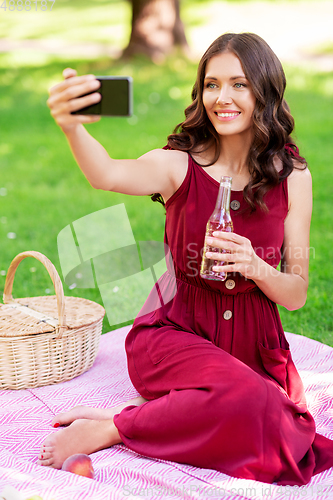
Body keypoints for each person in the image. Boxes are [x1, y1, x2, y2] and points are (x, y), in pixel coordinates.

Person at [38, 32, 333, 485]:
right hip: (174, 332)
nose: (223, 98)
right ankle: (115, 429)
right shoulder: (179, 165)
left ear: (265, 91)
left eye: (239, 84)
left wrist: (255, 266)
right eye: (212, 84)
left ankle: (135, 416)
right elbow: (108, 174)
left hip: (252, 345)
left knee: (278, 418)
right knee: (256, 405)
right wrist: (72, 127)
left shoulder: (292, 177)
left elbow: (294, 294)